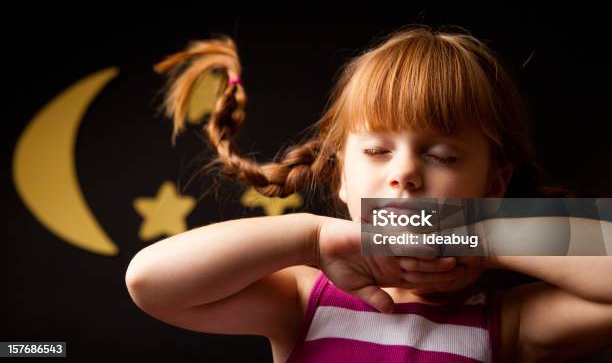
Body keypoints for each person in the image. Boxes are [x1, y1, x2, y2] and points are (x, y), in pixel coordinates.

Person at [125, 26, 612, 362]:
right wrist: (312, 240)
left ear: (495, 184)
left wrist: (481, 235)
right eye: (378, 149)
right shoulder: (304, 298)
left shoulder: (507, 324)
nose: (405, 173)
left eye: (442, 156)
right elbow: (149, 281)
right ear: (340, 175)